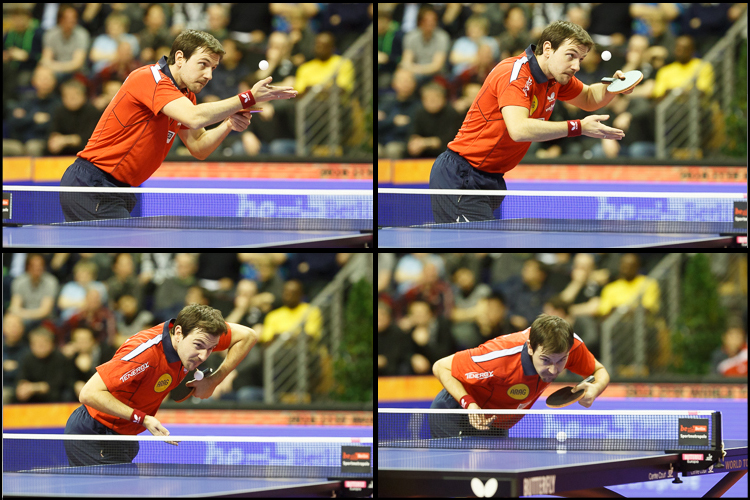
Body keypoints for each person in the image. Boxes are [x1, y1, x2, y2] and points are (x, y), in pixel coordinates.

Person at [60, 29, 297, 221]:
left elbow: (199, 147)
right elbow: (194, 117)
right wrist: (248, 98)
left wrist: (227, 124)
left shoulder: (185, 97)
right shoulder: (149, 79)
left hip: (121, 189)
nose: (209, 75)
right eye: (203, 64)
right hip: (92, 183)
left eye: (213, 68)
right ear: (180, 58)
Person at [429, 21, 636, 223]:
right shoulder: (515, 74)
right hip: (461, 174)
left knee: (485, 249)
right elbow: (519, 129)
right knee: (475, 248)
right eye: (571, 56)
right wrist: (578, 127)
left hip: (491, 178)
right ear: (548, 48)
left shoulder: (554, 77)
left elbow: (590, 97)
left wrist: (613, 88)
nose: (576, 66)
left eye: (580, 59)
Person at [63, 303, 258, 466]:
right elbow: (88, 393)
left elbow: (248, 336)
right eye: (198, 346)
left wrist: (215, 380)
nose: (203, 356)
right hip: (95, 432)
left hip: (126, 433)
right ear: (179, 332)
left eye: (211, 349)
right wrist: (144, 419)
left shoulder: (201, 334)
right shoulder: (144, 354)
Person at [429, 314, 610, 438]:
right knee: (463, 483)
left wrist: (595, 389)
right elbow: (440, 367)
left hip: (497, 422)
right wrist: (470, 405)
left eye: (561, 361)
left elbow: (600, 371)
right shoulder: (499, 356)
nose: (554, 370)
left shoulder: (572, 346)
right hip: (456, 413)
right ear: (530, 347)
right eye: (546, 360)